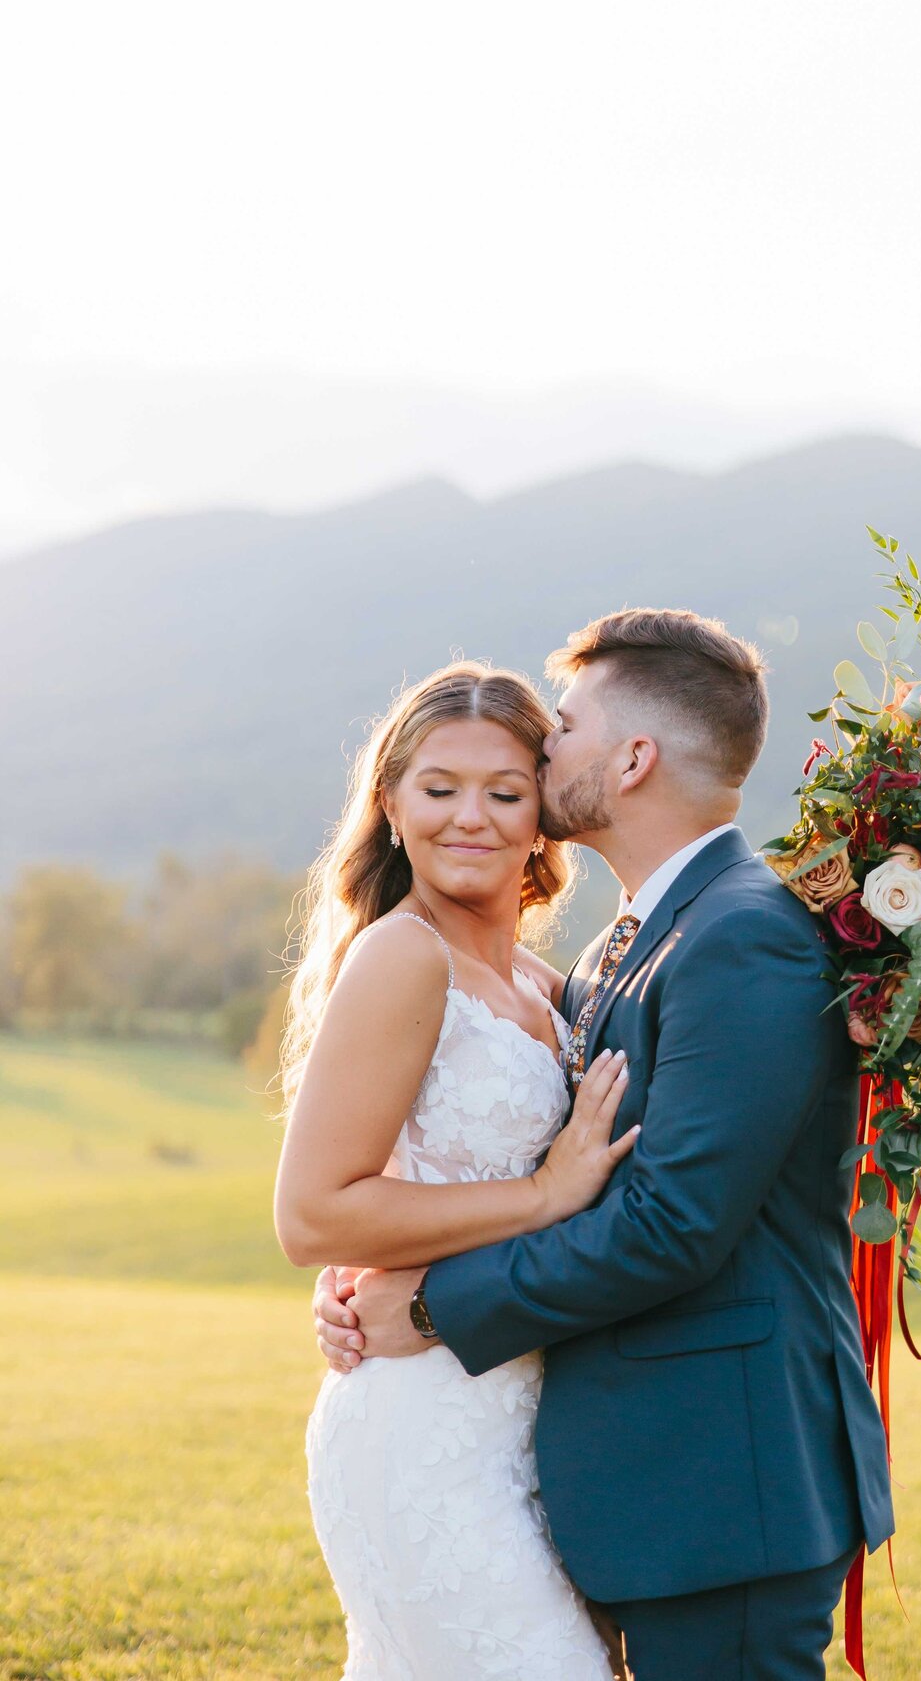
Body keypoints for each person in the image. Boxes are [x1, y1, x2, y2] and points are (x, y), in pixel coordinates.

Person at [313, 609, 894, 1681]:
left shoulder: (741, 934)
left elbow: (672, 1224)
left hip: (727, 1481)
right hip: (630, 1477)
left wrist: (436, 1303)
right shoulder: (627, 945)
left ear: (633, 759)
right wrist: (377, 1272)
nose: (544, 753)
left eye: (563, 730)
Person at [275, 660, 634, 1679]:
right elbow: (312, 1216)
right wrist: (541, 1195)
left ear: (542, 818)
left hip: (529, 1423)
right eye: (438, 789)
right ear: (390, 806)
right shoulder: (404, 957)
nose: (468, 818)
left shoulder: (547, 983)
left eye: (504, 792)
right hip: (421, 1432)